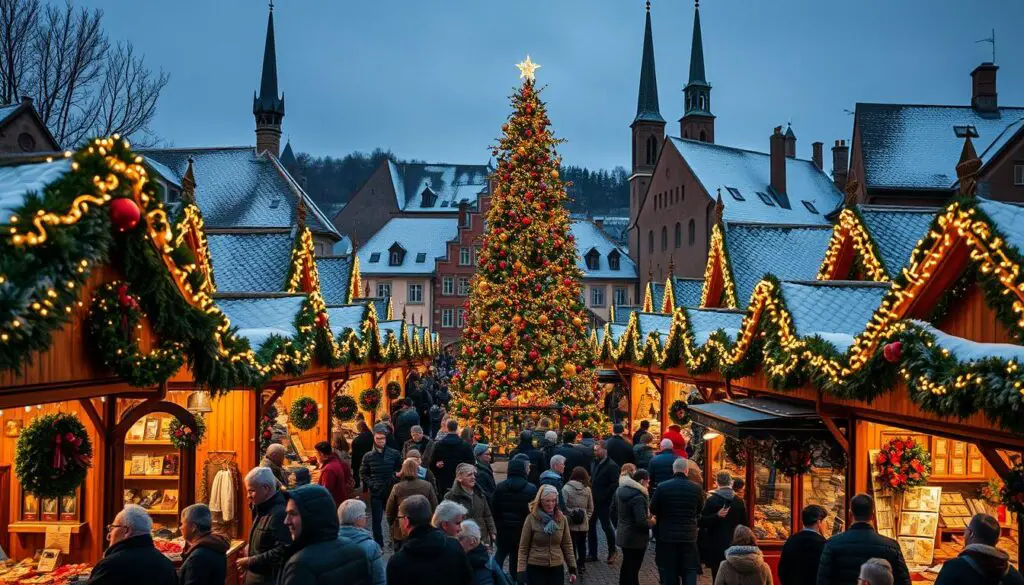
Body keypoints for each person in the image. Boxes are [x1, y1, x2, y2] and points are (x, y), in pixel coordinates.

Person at [279, 484, 371, 585]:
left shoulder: (300, 566)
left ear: (312, 517)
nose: (286, 521)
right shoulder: (357, 551)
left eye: (293, 514)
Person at [816, 494, 910, 585]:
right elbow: (904, 581)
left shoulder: (832, 544)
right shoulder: (891, 546)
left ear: (850, 515)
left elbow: (823, 581)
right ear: (873, 516)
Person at [387, 494, 474, 585]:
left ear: (406, 521)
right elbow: (468, 580)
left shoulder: (398, 562)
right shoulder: (454, 546)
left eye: (399, 518)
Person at [88, 505, 177, 585]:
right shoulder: (166, 564)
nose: (109, 535)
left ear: (126, 531)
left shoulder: (110, 566)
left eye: (112, 528)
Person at [651, 458, 705, 585]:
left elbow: (653, 508)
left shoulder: (662, 487)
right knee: (690, 569)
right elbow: (699, 509)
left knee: (670, 569)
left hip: (668, 536)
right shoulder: (696, 489)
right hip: (688, 536)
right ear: (686, 471)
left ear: (673, 470)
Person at [935, 513, 1024, 585]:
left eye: (966, 530)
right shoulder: (1013, 575)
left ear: (970, 533)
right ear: (997, 541)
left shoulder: (953, 568)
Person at [237, 467, 291, 585]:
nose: (248, 496)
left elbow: (283, 551)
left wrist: (251, 562)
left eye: (251, 491)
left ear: (266, 488)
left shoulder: (279, 514)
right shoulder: (262, 508)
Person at [517, 485, 578, 585]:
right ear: (540, 500)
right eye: (547, 501)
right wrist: (521, 571)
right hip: (536, 566)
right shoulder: (531, 519)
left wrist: (572, 568)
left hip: (556, 566)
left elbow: (567, 544)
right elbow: (523, 547)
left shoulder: (561, 519)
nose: (551, 504)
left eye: (553, 500)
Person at [491, 457, 538, 581]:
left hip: (503, 529)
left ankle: (493, 577)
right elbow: (534, 511)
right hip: (522, 530)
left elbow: (494, 508)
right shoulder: (531, 488)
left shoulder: (500, 487)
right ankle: (517, 580)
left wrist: (497, 525)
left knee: (500, 554)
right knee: (518, 557)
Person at [700, 471, 748, 582]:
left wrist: (715, 516)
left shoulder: (711, 500)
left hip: (715, 543)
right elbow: (744, 524)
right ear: (731, 482)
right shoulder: (739, 501)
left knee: (717, 575)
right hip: (734, 544)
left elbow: (703, 522)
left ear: (717, 483)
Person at [360, 427, 403, 546]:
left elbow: (399, 470)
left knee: (393, 517)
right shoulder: (368, 456)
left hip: (390, 490)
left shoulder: (394, 453)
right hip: (376, 491)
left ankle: (394, 540)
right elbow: (363, 473)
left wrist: (394, 478)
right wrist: (371, 484)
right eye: (378, 439)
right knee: (377, 520)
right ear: (374, 439)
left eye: (383, 438)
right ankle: (379, 544)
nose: (381, 441)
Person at [611, 469, 653, 585]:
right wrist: (652, 522)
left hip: (624, 534)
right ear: (641, 481)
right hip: (636, 538)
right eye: (647, 482)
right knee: (633, 569)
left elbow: (612, 510)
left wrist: (619, 524)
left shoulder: (620, 491)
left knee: (627, 566)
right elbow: (641, 522)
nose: (648, 485)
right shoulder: (638, 497)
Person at [387, 459, 439, 550]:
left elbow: (390, 510)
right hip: (424, 527)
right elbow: (434, 506)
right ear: (417, 470)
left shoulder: (397, 487)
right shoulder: (427, 485)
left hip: (402, 529)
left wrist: (394, 524)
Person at [445, 463, 497, 545]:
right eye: (469, 475)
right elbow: (447, 520)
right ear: (459, 478)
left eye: (474, 474)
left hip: (481, 538)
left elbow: (487, 515)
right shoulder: (451, 496)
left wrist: (492, 531)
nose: (473, 477)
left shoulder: (480, 494)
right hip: (462, 540)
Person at [337, 499, 386, 585]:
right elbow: (379, 579)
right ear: (357, 519)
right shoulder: (371, 546)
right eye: (364, 515)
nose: (366, 518)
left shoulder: (331, 542)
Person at [178, 504, 229, 585]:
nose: (180, 528)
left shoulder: (198, 557)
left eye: (182, 523)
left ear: (193, 527)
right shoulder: (215, 544)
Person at [588, 439, 620, 564]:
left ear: (604, 450)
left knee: (606, 526)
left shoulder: (612, 465)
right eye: (595, 449)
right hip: (594, 500)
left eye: (597, 449)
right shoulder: (595, 462)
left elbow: (615, 483)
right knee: (591, 526)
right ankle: (592, 553)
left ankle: (612, 550)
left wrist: (605, 495)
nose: (595, 451)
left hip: (604, 501)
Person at [778, 505, 827, 585]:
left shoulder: (791, 540)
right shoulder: (822, 543)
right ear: (818, 522)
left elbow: (782, 569)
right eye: (825, 521)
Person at [458, 520, 512, 585]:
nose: (457, 541)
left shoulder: (480, 565)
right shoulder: (475, 558)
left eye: (460, 538)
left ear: (473, 540)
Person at [562, 467, 594, 575]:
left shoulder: (566, 488)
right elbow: (591, 507)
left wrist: (569, 516)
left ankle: (572, 566)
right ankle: (582, 565)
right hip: (583, 522)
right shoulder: (587, 489)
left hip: (570, 521)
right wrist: (586, 517)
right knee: (582, 544)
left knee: (570, 545)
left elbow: (563, 505)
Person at [431, 419, 476, 495]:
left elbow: (432, 464)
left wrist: (437, 468)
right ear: (457, 428)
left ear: (447, 428)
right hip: (462, 479)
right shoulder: (465, 446)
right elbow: (471, 462)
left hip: (444, 479)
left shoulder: (438, 445)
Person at [315, 440, 352, 506]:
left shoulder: (328, 469)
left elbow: (326, 491)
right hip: (339, 500)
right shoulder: (334, 461)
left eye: (316, 453)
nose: (315, 456)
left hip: (334, 503)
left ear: (321, 454)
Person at [351, 420, 374, 488]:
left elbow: (355, 446)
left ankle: (357, 484)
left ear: (361, 428)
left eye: (358, 428)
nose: (357, 429)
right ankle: (365, 486)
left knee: (357, 470)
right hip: (368, 455)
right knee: (366, 471)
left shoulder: (359, 439)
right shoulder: (370, 435)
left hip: (358, 456)